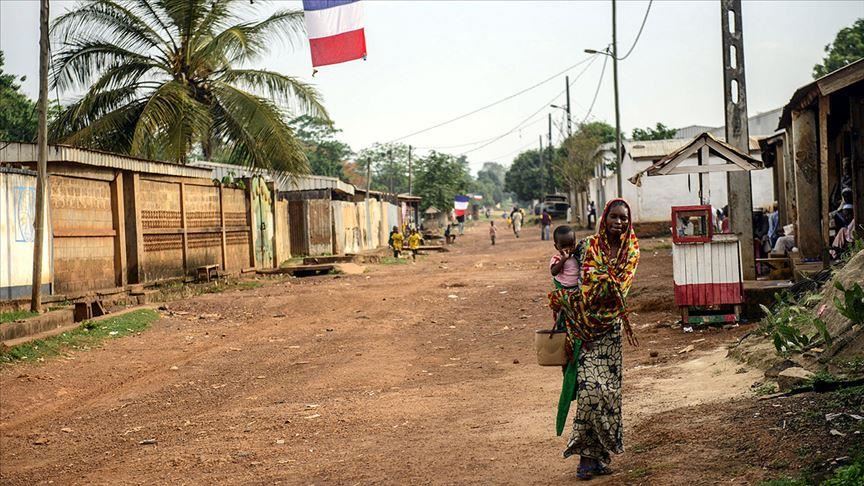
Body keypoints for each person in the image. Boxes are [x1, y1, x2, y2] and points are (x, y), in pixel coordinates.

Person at [548, 199, 640, 481]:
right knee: (589, 392)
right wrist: (564, 300)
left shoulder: (631, 252)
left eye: (624, 218)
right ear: (604, 218)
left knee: (607, 395)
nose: (619, 222)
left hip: (609, 331)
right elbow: (563, 273)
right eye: (614, 216)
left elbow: (619, 289)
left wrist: (596, 283)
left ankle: (596, 457)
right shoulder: (588, 245)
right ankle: (586, 460)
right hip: (582, 331)